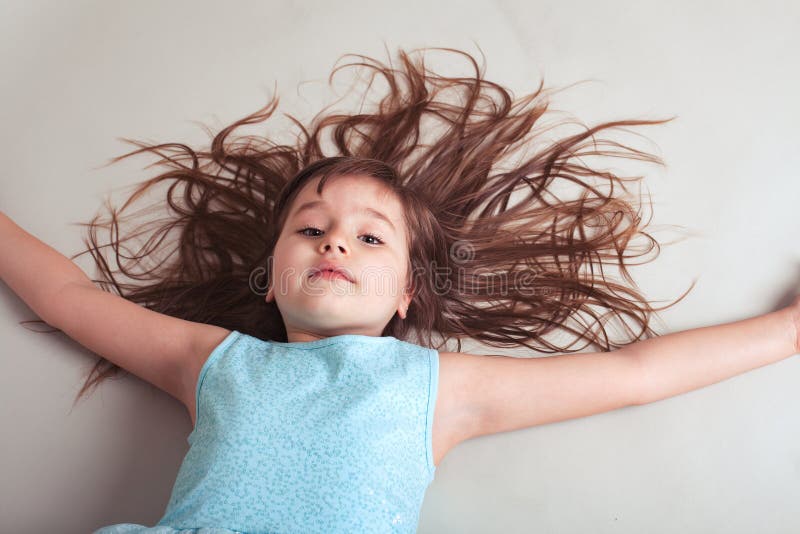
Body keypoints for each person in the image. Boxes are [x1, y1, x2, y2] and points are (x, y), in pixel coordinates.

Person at [1, 47, 797, 534]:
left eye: (369, 237)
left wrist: (790, 332)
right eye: (310, 230)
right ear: (272, 280)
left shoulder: (438, 388)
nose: (335, 240)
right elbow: (68, 298)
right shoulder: (214, 361)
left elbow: (635, 376)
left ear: (407, 294)